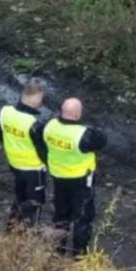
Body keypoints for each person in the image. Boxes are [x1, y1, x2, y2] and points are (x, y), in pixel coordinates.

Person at [44, 97, 107, 257]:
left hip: (58, 176)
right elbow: (101, 141)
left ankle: (58, 249)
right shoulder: (83, 135)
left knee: (60, 214)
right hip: (81, 179)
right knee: (82, 217)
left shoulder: (49, 126)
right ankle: (79, 254)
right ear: (78, 114)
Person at [0, 79, 49, 230]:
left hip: (15, 165)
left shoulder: (5, 112)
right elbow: (43, 151)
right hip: (33, 169)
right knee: (34, 204)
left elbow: (1, 136)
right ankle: (27, 236)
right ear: (39, 98)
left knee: (19, 198)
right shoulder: (34, 124)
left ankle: (11, 230)